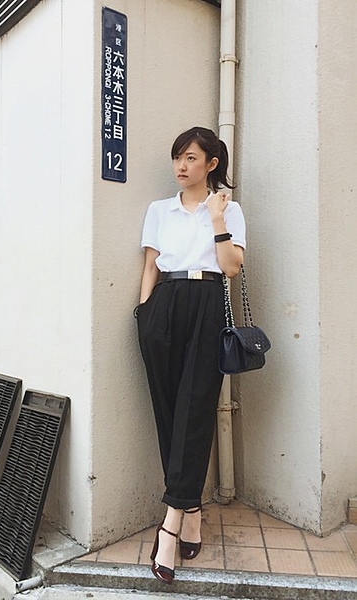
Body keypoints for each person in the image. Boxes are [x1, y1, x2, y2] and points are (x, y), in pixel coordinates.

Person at [136, 126, 246, 584]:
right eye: (177, 158)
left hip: (208, 303)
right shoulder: (159, 210)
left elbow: (232, 267)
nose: (181, 166)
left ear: (211, 164)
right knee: (167, 410)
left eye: (191, 158)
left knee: (195, 411)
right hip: (163, 306)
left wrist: (217, 219)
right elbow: (150, 264)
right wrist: (144, 313)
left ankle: (171, 526)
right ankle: (192, 509)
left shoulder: (228, 209)